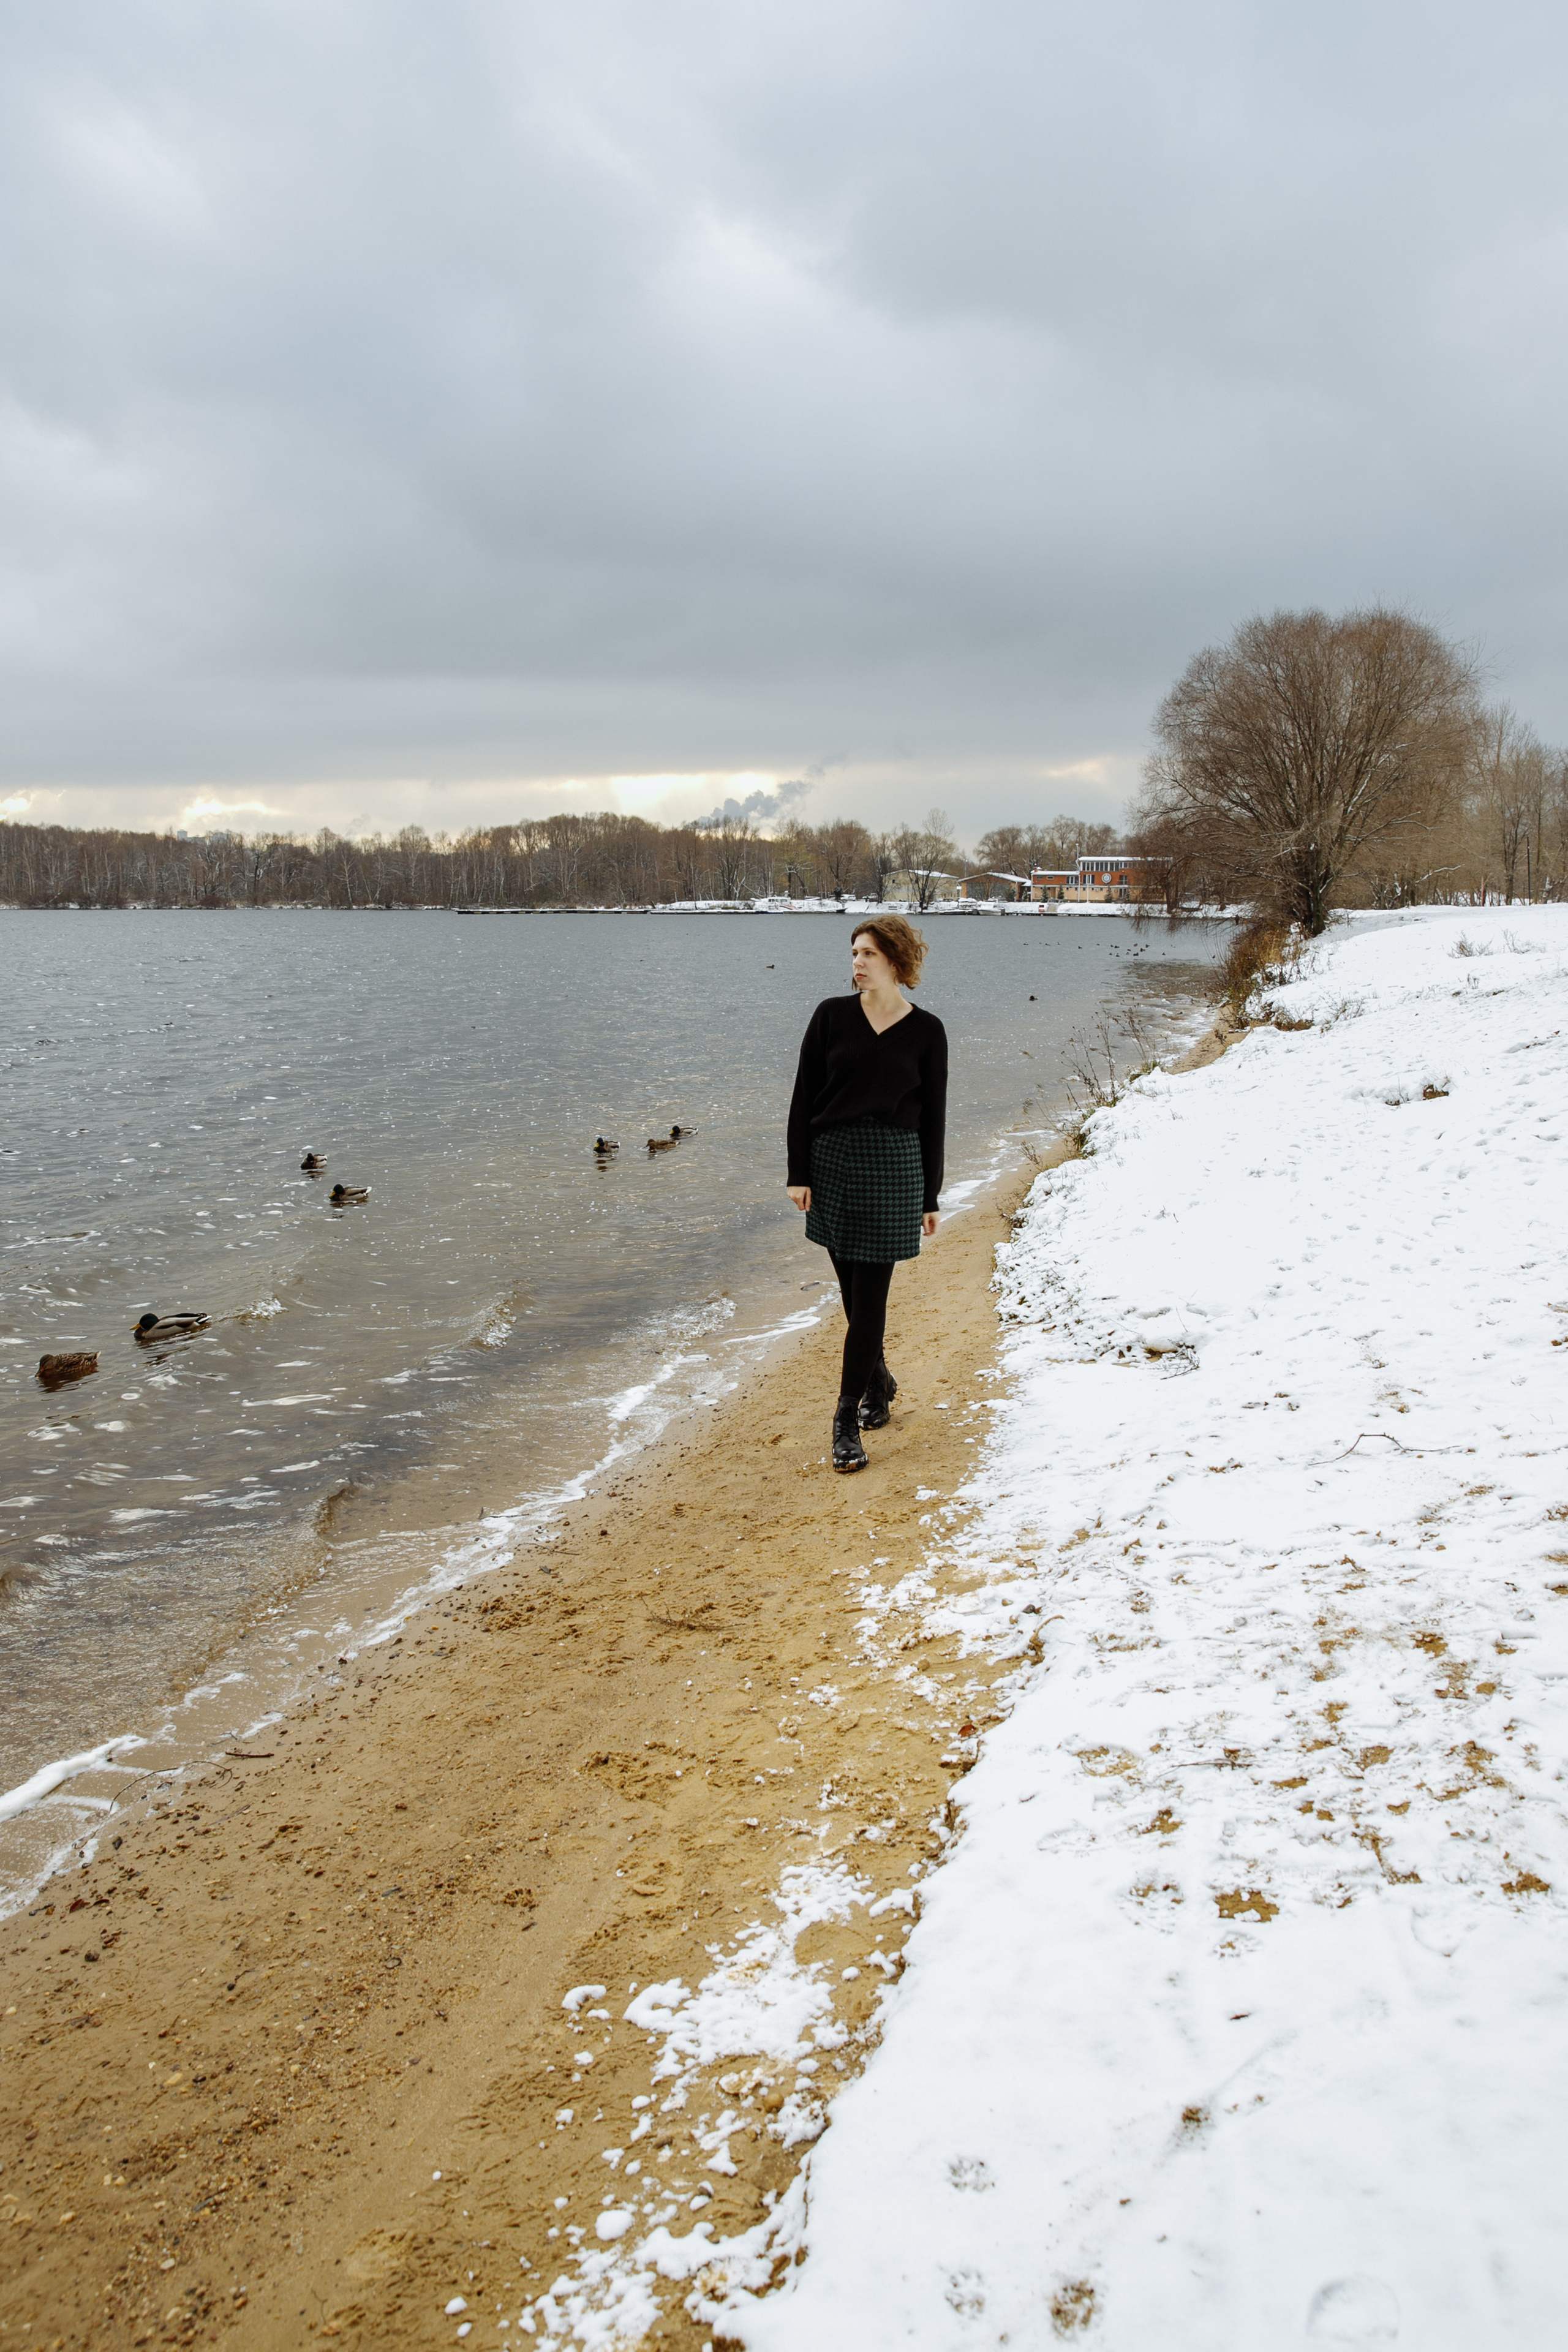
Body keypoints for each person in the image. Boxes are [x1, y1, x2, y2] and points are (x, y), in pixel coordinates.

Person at [785, 916, 948, 1472]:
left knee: (870, 1298)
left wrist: (930, 1195)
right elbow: (804, 1099)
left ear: (896, 962)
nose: (857, 963)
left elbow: (933, 1118)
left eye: (868, 954)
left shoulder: (927, 1031)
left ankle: (845, 1418)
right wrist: (798, 1172)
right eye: (854, 953)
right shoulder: (830, 1016)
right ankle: (879, 1381)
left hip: (893, 1169)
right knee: (853, 1296)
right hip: (833, 1165)